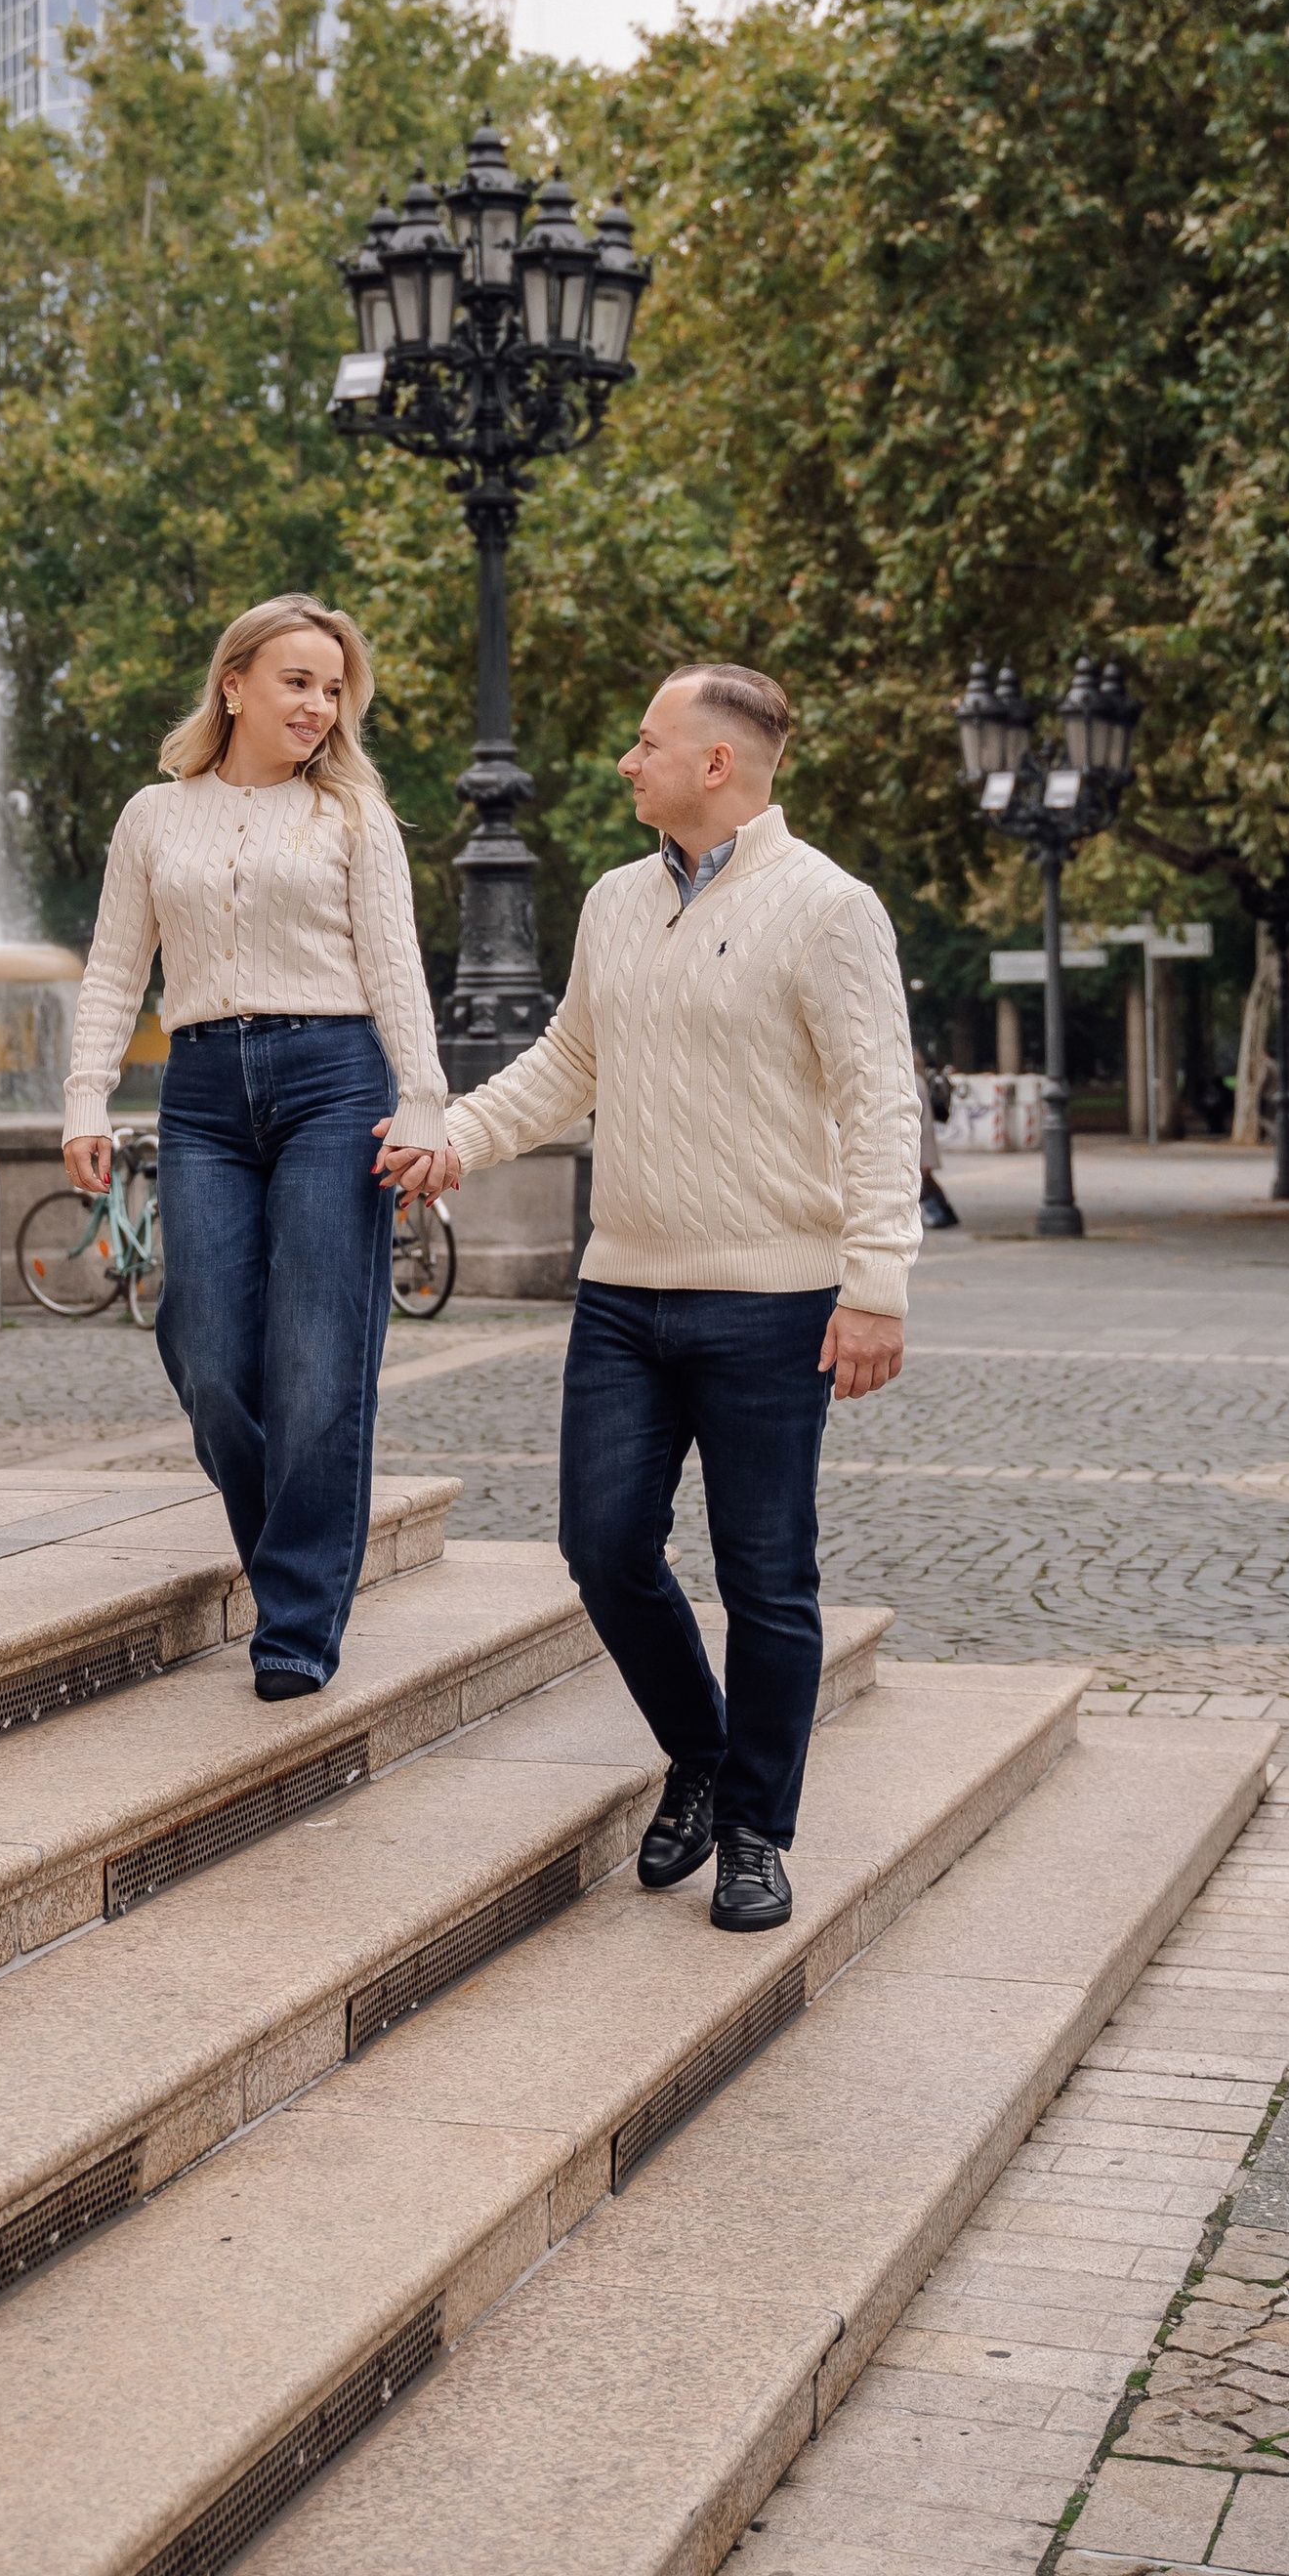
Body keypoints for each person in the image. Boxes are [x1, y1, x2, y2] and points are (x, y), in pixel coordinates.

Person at [437, 664, 919, 1935]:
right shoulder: (612, 903)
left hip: (773, 1301)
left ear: (717, 765)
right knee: (602, 1548)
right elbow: (564, 1067)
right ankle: (698, 1752)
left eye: (645, 743)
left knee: (768, 1578)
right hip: (624, 1297)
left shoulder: (829, 910)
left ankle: (758, 1828)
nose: (624, 762)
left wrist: (875, 1287)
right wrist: (451, 1136)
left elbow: (880, 1102)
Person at [60, 594, 452, 1702]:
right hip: (201, 1094)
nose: (319, 706)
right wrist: (86, 1098)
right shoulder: (153, 816)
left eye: (333, 688)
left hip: (335, 1084)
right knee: (209, 1354)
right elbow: (110, 968)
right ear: (234, 683)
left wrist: (423, 1100)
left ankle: (295, 1615)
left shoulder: (355, 817)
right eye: (298, 681)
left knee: (320, 1360)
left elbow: (394, 968)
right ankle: (295, 1555)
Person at [918, 1050, 959, 1228]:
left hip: (919, 1139)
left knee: (922, 1181)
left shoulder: (911, 1081)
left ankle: (939, 1214)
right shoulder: (918, 1079)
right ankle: (946, 1212)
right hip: (923, 1136)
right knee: (926, 1179)